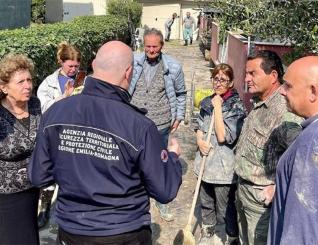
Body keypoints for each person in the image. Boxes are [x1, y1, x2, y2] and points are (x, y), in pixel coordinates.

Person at [28, 41, 183, 245]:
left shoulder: (55, 113)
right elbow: (164, 190)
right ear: (128, 73)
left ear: (93, 64)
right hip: (124, 232)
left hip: (72, 231)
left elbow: (38, 176)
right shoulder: (139, 126)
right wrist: (172, 157)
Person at [268, 56, 318, 245]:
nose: (281, 92)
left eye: (288, 86)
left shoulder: (314, 142)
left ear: (312, 91)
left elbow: (299, 232)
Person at [234, 50, 302, 245]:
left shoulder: (284, 111)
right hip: (243, 190)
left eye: (252, 73)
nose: (246, 78)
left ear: (273, 76)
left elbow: (300, 157)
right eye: (246, 73)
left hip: (260, 201)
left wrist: (279, 186)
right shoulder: (260, 101)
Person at [129, 27, 186, 222]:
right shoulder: (133, 62)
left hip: (161, 122)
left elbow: (180, 93)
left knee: (160, 162)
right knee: (133, 161)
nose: (151, 50)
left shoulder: (173, 66)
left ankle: (162, 201)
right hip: (135, 122)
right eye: (147, 47)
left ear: (162, 46)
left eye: (155, 46)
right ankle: (136, 198)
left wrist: (179, 115)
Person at [194, 63, 246, 245]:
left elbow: (224, 137)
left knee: (225, 207)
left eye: (223, 80)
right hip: (205, 163)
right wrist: (199, 141)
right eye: (215, 79)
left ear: (231, 83)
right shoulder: (207, 101)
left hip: (224, 168)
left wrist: (218, 108)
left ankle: (230, 237)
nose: (218, 83)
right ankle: (208, 233)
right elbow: (199, 125)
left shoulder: (236, 106)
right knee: (206, 202)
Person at [36, 41, 82, 228]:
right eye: (70, 66)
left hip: (77, 133)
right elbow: (42, 107)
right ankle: (45, 206)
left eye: (76, 66)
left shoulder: (85, 80)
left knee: (74, 173)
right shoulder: (49, 83)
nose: (73, 69)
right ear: (61, 63)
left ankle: (72, 207)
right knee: (50, 172)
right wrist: (64, 97)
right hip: (55, 133)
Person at [0, 54, 41, 244]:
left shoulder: (34, 104)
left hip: (32, 190)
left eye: (29, 80)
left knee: (30, 237)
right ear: (4, 87)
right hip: (6, 198)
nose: (28, 86)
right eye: (21, 82)